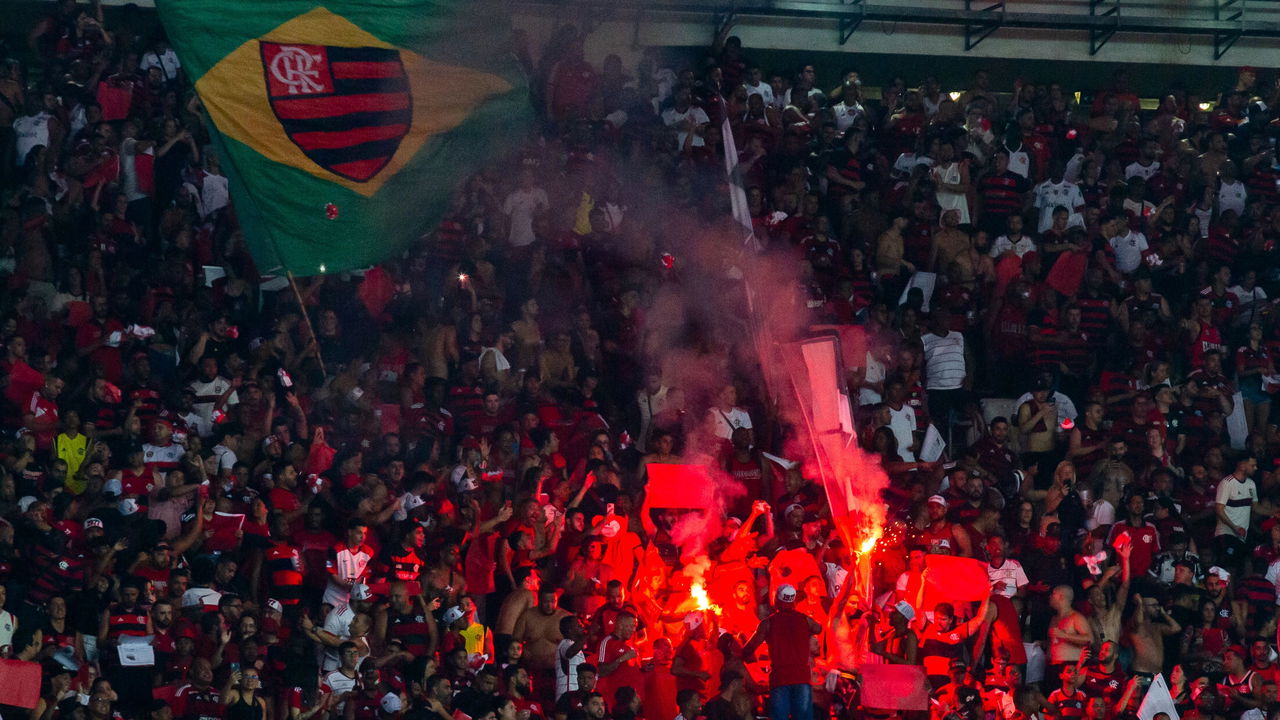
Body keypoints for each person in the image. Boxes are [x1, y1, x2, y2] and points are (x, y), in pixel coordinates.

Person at [742, 585, 823, 720]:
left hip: (780, 679)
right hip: (801, 678)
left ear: (776, 600)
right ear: (793, 601)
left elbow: (748, 649)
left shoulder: (768, 623)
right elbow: (818, 628)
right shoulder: (805, 620)